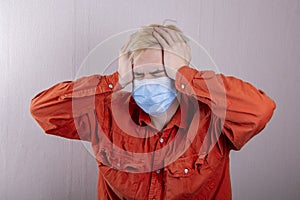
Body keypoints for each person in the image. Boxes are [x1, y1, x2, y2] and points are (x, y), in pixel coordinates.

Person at [30, 24, 276, 200]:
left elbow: (260, 109)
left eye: (160, 73)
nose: (148, 82)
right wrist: (115, 80)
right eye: (139, 74)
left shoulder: (212, 117)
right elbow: (42, 109)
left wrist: (185, 73)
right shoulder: (108, 113)